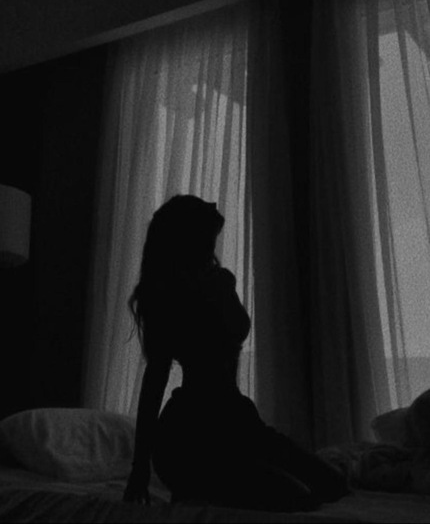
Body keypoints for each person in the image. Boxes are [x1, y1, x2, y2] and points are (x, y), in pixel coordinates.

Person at [123, 195, 348, 512]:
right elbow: (154, 383)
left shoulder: (220, 281)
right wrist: (139, 468)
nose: (212, 245)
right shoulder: (170, 296)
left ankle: (213, 483)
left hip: (238, 420)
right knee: (300, 498)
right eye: (206, 236)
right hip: (188, 435)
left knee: (333, 484)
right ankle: (199, 484)